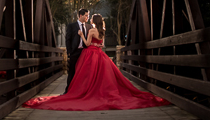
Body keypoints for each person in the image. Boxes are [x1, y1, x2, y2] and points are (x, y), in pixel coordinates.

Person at [28, 13, 169, 111]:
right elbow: (101, 45)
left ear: (93, 21)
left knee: (88, 76)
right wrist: (98, 45)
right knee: (102, 76)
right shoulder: (102, 31)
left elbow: (88, 44)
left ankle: (87, 92)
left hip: (90, 54)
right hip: (100, 55)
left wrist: (82, 35)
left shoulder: (91, 30)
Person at [64, 8, 90, 91]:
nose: (87, 17)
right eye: (86, 15)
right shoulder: (71, 26)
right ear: (80, 15)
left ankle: (82, 90)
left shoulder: (89, 26)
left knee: (84, 72)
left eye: (88, 15)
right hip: (75, 52)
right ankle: (68, 90)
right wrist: (69, 52)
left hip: (85, 52)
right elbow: (68, 39)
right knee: (72, 71)